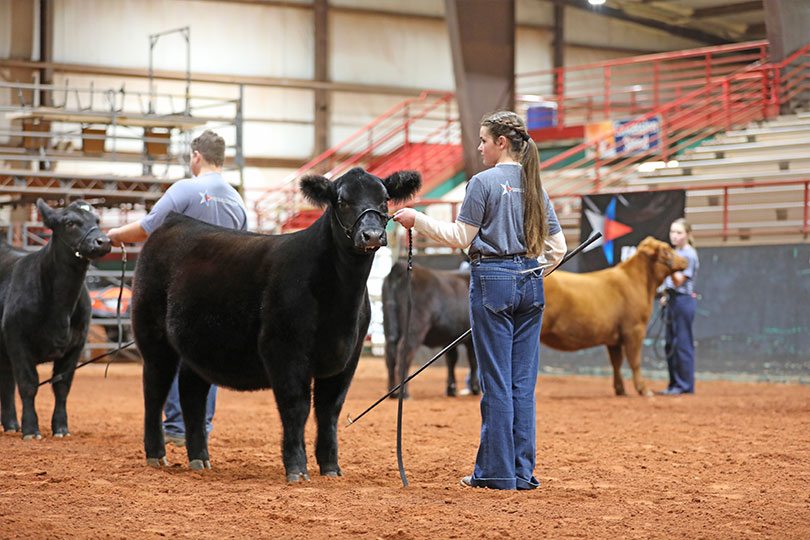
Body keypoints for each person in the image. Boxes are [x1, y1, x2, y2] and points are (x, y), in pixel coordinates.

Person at [393, 111, 566, 490]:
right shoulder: (535, 184)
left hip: (492, 281)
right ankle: (521, 472)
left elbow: (460, 236)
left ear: (501, 142)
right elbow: (558, 248)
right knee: (522, 383)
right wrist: (533, 272)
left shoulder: (482, 183)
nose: (479, 147)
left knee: (495, 382)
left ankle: (496, 473)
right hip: (530, 282)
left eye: (483, 141)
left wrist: (416, 219)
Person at [107, 130, 248, 446]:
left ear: (196, 156)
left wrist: (115, 234)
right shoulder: (237, 200)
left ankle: (175, 427)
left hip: (184, 290)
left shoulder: (185, 189)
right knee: (208, 360)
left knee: (171, 354)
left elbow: (147, 228)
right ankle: (201, 427)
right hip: (223, 293)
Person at [658, 218, 699, 395]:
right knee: (670, 344)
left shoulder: (688, 254)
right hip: (673, 301)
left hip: (683, 301)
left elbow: (679, 281)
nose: (674, 236)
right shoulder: (676, 253)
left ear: (688, 235)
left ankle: (685, 385)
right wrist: (665, 295)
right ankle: (674, 384)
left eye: (679, 233)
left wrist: (669, 266)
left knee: (682, 343)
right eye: (672, 232)